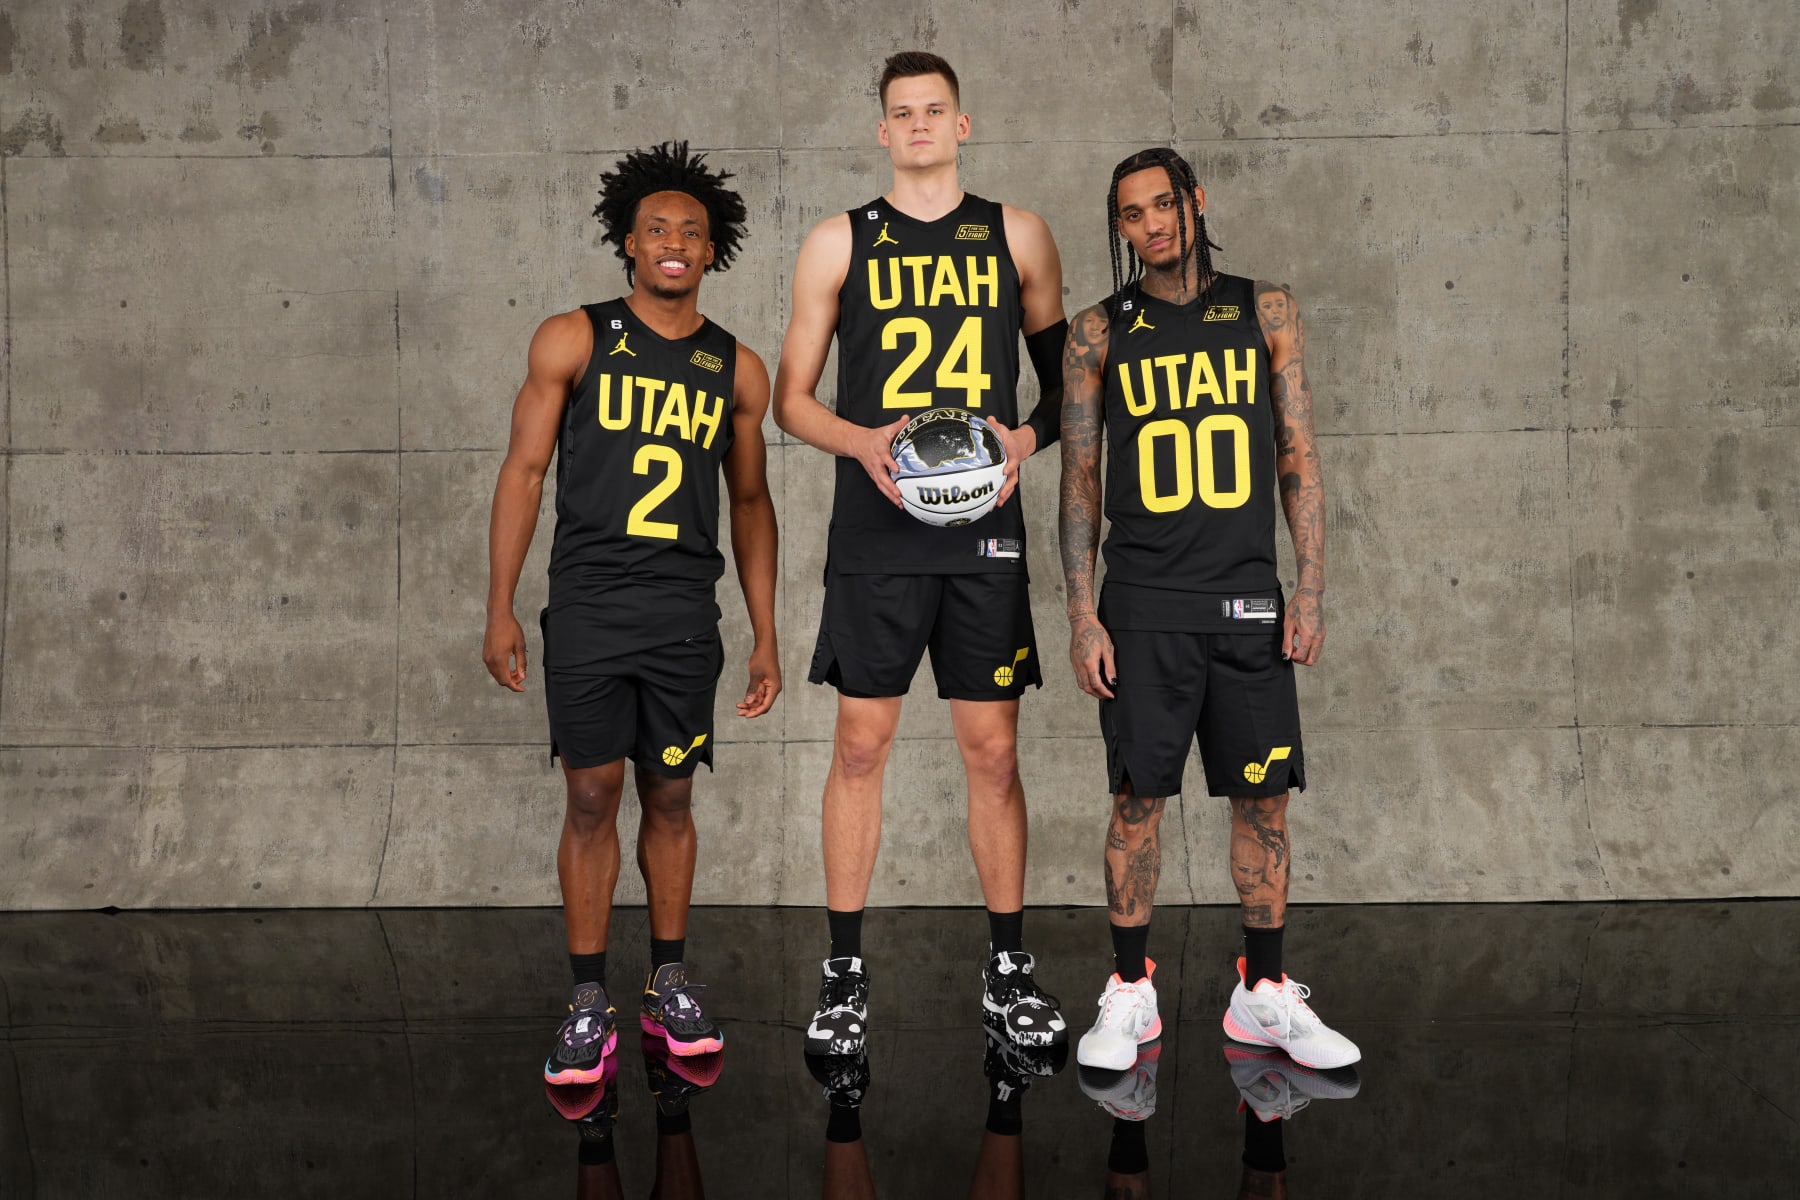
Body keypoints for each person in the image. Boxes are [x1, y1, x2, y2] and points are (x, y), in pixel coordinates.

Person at [772, 50, 1070, 1056]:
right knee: (860, 746)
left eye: (934, 111)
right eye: (901, 114)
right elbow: (792, 399)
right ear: (884, 131)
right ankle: (845, 976)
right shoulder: (836, 243)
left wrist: (1023, 441)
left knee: (993, 753)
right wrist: (862, 442)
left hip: (982, 530)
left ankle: (1007, 971)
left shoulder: (1017, 234)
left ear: (963, 123)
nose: (919, 126)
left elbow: (1068, 386)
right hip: (876, 530)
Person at [483, 142, 780, 1086]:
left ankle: (668, 981)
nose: (675, 244)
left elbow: (749, 505)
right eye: (658, 229)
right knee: (589, 796)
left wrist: (766, 631)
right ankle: (585, 999)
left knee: (673, 795)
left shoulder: (736, 367)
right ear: (627, 241)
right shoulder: (574, 337)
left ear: (713, 248)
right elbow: (525, 473)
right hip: (589, 608)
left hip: (684, 615)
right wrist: (500, 608)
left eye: (693, 232)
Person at [1059, 147, 1359, 1073]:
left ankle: (1262, 995)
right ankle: (1129, 993)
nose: (1150, 224)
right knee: (1137, 800)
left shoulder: (1265, 308)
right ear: (1119, 228)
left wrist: (1309, 586)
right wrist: (1080, 612)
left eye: (1163, 205)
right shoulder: (1095, 332)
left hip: (1247, 603)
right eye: (1131, 214)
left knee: (1263, 800)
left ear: (1195, 203)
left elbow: (1298, 452)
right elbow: (1079, 480)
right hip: (1143, 606)